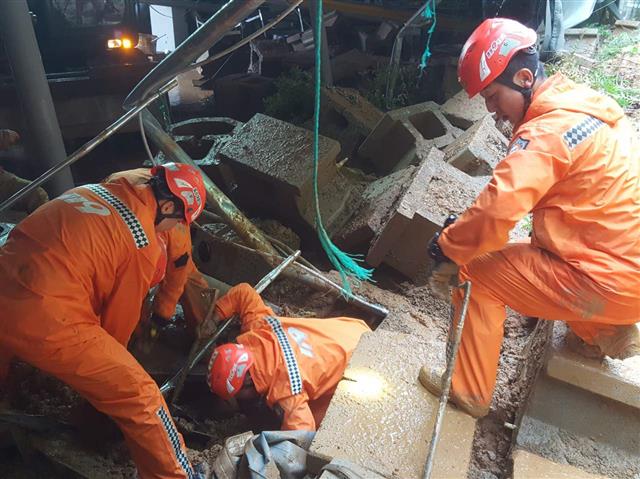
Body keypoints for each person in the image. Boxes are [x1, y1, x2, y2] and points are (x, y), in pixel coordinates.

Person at [421, 18, 640, 418]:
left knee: (475, 269)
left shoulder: (545, 134)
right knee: (534, 249)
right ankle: (604, 329)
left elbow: (498, 208)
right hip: (624, 269)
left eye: (492, 97)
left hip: (603, 279)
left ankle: (468, 391)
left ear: (523, 77)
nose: (491, 111)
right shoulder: (582, 105)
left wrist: (449, 246)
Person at [0, 162, 208, 478]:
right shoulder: (141, 245)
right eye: (178, 221)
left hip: (8, 273)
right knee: (140, 395)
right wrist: (106, 389)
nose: (177, 228)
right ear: (167, 207)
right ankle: (177, 474)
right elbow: (116, 332)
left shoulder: (106, 188)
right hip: (45, 312)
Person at [206, 283, 371, 431]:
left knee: (321, 424)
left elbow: (302, 433)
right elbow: (244, 292)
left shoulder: (286, 389)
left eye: (234, 396)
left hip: (365, 361)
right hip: (355, 330)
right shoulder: (260, 327)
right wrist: (214, 318)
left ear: (248, 382)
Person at [105, 168, 215, 334]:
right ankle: (138, 331)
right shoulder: (170, 229)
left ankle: (203, 326)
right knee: (130, 294)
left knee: (187, 276)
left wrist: (161, 316)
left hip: (114, 237)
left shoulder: (121, 180)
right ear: (169, 208)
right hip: (123, 247)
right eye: (180, 220)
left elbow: (178, 273)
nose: (182, 223)